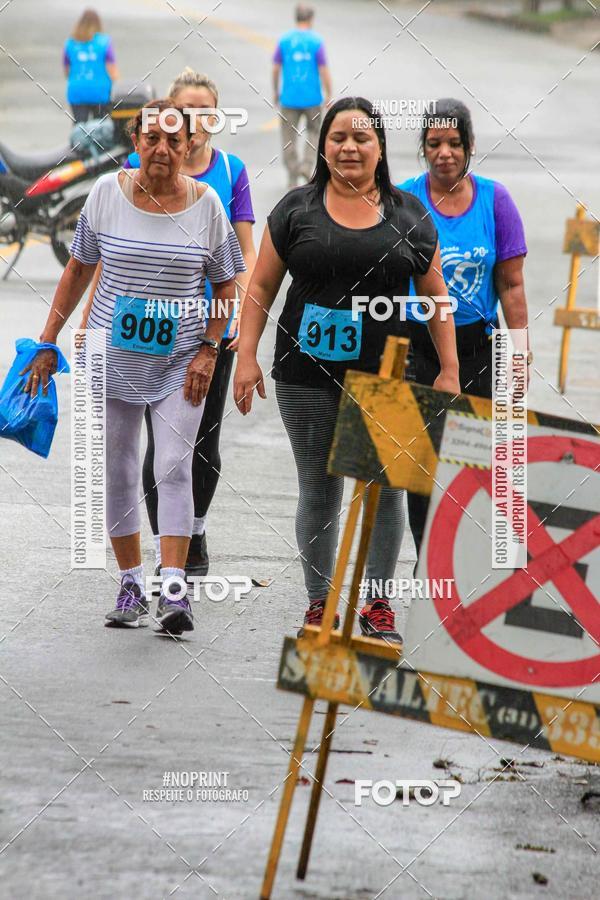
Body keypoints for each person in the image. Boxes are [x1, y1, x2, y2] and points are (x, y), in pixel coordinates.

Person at [233, 97, 460, 642]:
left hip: (389, 376)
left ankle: (377, 606)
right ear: (323, 145)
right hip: (305, 374)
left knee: (385, 488)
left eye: (362, 138)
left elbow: (436, 298)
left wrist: (449, 368)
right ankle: (320, 605)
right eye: (338, 137)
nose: (349, 147)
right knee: (319, 487)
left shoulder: (409, 215)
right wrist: (245, 355)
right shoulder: (296, 210)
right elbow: (261, 287)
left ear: (380, 148)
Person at [25, 99, 245, 635]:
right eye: (152, 138)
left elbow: (225, 282)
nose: (162, 149)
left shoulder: (207, 204)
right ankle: (130, 583)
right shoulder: (105, 195)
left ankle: (174, 591)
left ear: (190, 145)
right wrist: (47, 340)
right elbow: (78, 269)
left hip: (178, 361)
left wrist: (210, 348)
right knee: (118, 468)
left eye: (174, 140)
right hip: (110, 356)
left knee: (172, 467)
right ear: (136, 140)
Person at [81, 68, 257, 580]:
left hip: (201, 332)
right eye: (186, 110)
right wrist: (86, 326)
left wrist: (228, 334)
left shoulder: (226, 177)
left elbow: (241, 258)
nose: (190, 125)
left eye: (205, 112)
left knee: (187, 452)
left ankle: (186, 549)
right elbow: (98, 267)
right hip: (127, 342)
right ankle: (141, 575)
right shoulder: (114, 191)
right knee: (136, 458)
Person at [398, 98, 530, 555]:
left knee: (476, 463)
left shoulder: (496, 201)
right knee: (421, 466)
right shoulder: (404, 200)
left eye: (454, 143)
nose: (445, 153)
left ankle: (468, 563)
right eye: (434, 144)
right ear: (423, 148)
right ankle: (426, 563)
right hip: (419, 349)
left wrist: (519, 353)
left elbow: (511, 287)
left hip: (480, 349)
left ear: (470, 145)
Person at [273, 4, 332, 189]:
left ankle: (292, 172)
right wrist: (329, 93)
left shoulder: (284, 41)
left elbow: (276, 68)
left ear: (296, 18)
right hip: (312, 98)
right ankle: (306, 166)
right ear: (311, 19)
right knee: (314, 133)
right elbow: (323, 70)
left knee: (288, 137)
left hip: (289, 97)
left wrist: (276, 91)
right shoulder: (316, 42)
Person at [63, 9, 119, 123]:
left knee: (79, 127)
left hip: (77, 90)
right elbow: (112, 70)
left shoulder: (70, 43)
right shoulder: (104, 42)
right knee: (100, 129)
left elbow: (67, 71)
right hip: (100, 91)